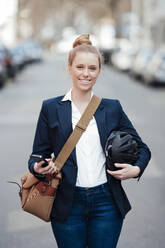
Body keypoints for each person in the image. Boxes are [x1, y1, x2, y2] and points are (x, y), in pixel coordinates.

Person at [28, 34, 151, 248]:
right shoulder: (51, 108)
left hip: (107, 202)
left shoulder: (112, 108)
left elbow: (143, 149)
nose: (86, 73)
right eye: (80, 67)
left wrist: (136, 170)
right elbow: (37, 155)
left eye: (92, 68)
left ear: (99, 72)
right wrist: (39, 167)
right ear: (69, 68)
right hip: (67, 202)